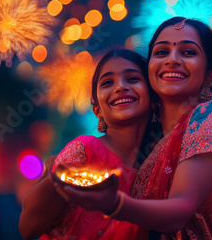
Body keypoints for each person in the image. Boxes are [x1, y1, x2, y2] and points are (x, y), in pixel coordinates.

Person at [52, 17, 212, 239]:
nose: (172, 60)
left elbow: (180, 211)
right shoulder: (152, 146)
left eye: (188, 52)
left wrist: (115, 204)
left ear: (210, 74)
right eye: (161, 52)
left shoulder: (211, 114)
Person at [19, 48, 153, 240]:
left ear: (153, 94)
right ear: (96, 107)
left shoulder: (160, 162)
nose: (120, 87)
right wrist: (55, 176)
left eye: (132, 79)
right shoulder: (84, 151)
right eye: (108, 82)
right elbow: (28, 228)